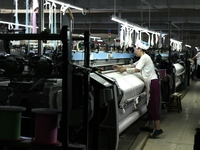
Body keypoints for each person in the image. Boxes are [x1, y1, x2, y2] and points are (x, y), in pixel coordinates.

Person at [112, 41, 163, 138]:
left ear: (140, 49)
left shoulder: (144, 58)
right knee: (149, 105)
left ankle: (158, 128)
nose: (134, 51)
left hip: (153, 83)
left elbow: (137, 70)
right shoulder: (143, 58)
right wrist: (121, 67)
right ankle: (151, 126)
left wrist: (124, 70)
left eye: (135, 49)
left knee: (153, 105)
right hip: (151, 83)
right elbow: (133, 66)